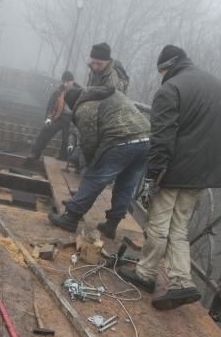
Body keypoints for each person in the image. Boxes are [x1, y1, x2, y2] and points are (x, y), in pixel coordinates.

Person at [118, 45, 221, 311]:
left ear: (166, 67)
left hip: (176, 168)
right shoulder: (220, 85)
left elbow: (162, 137)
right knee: (179, 225)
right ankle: (181, 280)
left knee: (159, 222)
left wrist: (154, 174)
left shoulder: (171, 89)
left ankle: (146, 274)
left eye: (161, 71)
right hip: (206, 170)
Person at [48, 85, 150, 237]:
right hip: (147, 140)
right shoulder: (105, 94)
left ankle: (71, 217)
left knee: (94, 177)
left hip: (121, 140)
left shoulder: (84, 107)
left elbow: (89, 143)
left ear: (73, 104)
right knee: (126, 185)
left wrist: (90, 166)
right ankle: (111, 225)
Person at [27, 71, 79, 161]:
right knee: (46, 130)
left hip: (72, 121)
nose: (66, 85)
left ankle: (64, 159)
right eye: (64, 82)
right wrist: (48, 118)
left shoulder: (80, 93)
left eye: (68, 82)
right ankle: (35, 153)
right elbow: (50, 106)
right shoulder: (58, 92)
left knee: (69, 141)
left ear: (72, 81)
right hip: (60, 117)